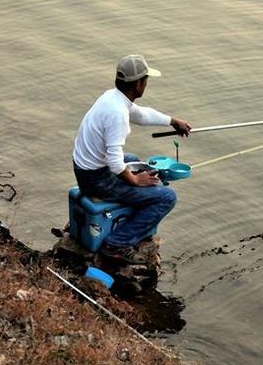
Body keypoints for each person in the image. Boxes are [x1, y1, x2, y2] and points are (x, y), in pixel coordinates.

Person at [72, 55, 191, 264]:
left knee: (134, 160)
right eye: (145, 80)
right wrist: (136, 180)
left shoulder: (112, 97)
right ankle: (117, 243)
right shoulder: (117, 113)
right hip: (95, 179)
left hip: (86, 169)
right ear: (138, 84)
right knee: (167, 197)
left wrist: (173, 121)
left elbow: (142, 116)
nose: (146, 84)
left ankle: (128, 219)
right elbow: (116, 163)